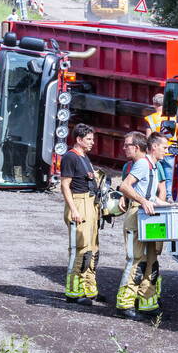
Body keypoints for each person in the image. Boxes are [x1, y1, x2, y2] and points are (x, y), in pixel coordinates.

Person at [116, 132, 171, 319]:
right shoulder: (142, 164)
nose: (166, 151)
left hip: (146, 216)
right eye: (164, 147)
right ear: (154, 147)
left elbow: (149, 195)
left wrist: (165, 204)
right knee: (135, 260)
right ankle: (124, 304)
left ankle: (147, 302)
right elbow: (125, 186)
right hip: (136, 214)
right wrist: (142, 201)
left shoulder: (154, 167)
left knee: (150, 259)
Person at [60, 124, 105, 306]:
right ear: (78, 139)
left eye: (92, 139)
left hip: (90, 203)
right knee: (79, 249)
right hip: (79, 203)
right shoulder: (70, 157)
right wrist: (74, 210)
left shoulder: (84, 157)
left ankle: (88, 289)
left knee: (92, 249)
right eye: (89, 139)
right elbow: (64, 185)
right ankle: (73, 292)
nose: (92, 142)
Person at [144, 92, 178, 184]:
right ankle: (168, 196)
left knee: (155, 175)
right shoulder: (174, 117)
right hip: (170, 150)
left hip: (155, 151)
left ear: (154, 104)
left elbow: (148, 138)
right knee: (169, 177)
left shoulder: (150, 118)